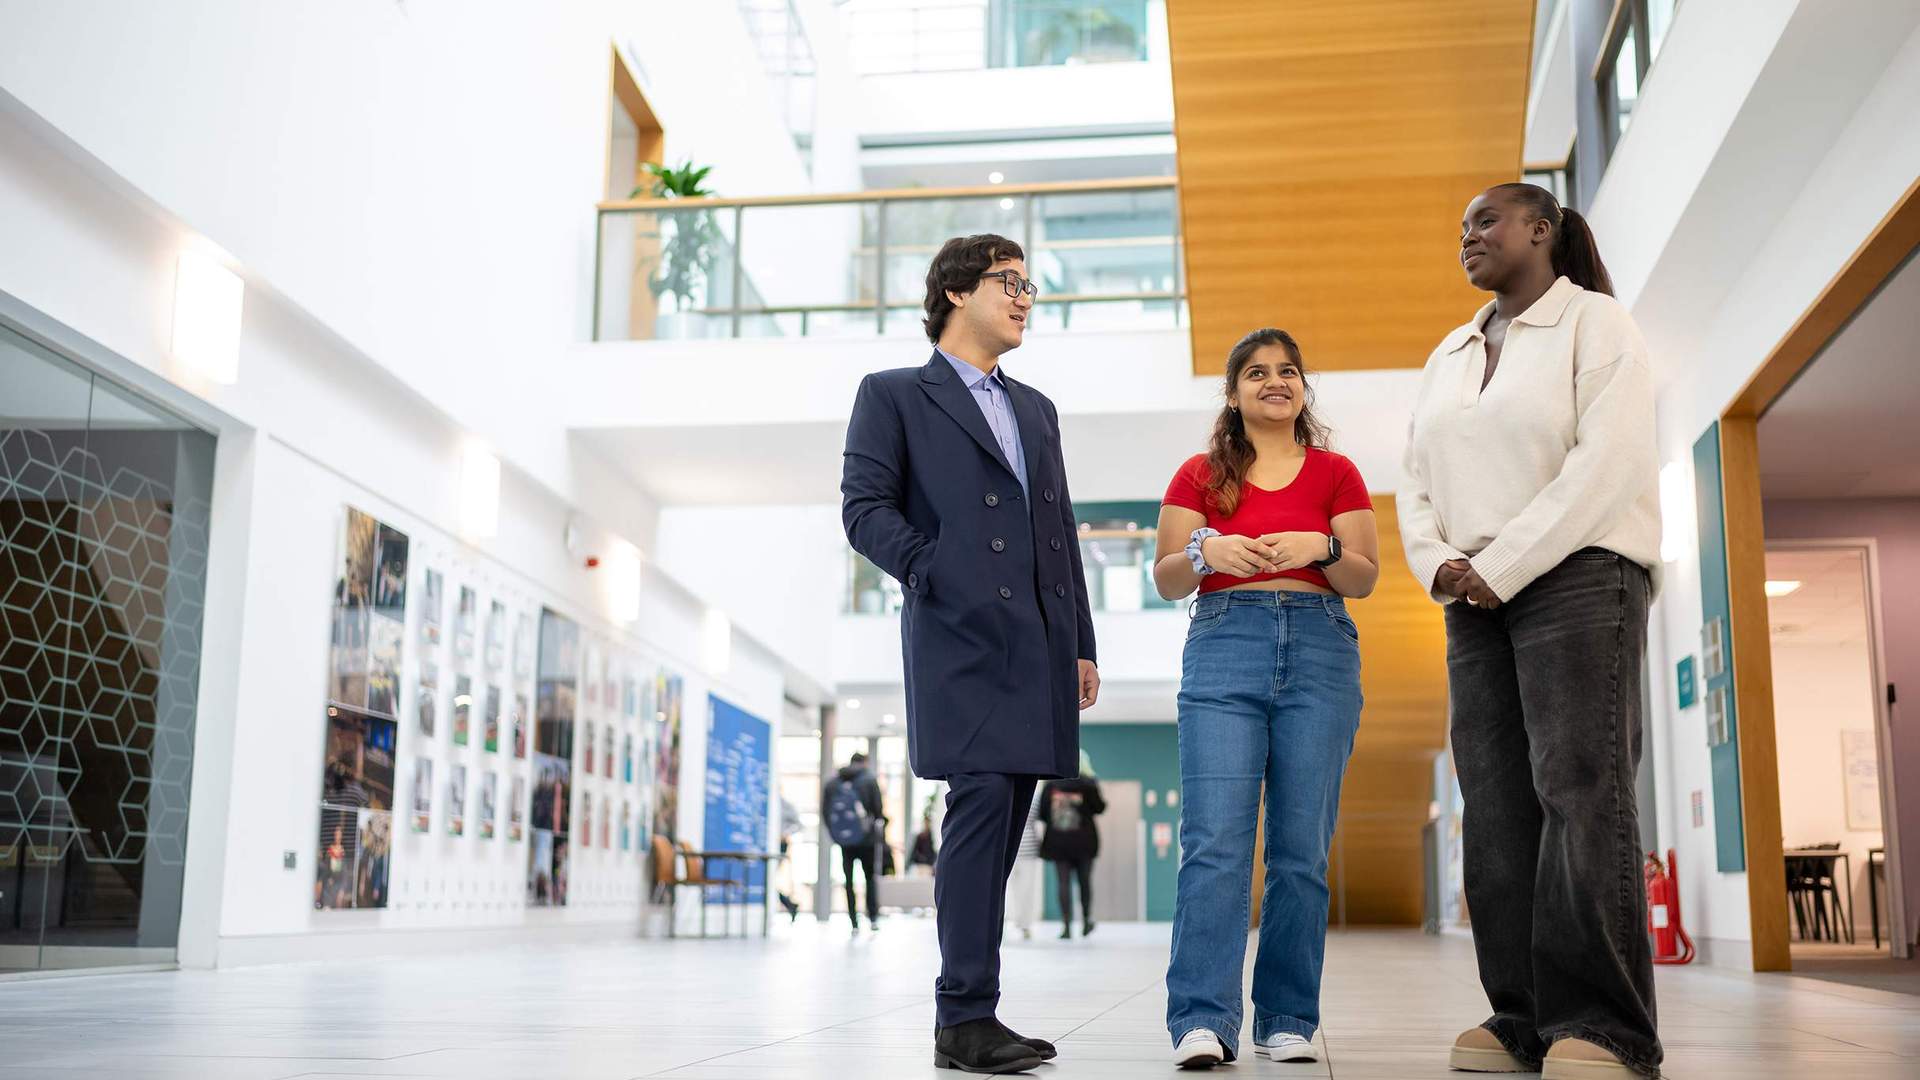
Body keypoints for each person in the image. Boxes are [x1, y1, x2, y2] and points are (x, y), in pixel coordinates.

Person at [1402, 183, 1661, 1079]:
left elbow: (1610, 464)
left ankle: (1607, 1028)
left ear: (1541, 230)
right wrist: (1440, 563)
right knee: (1497, 806)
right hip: (1471, 595)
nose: (1466, 235)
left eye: (1485, 220)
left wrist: (1500, 562)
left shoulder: (1596, 325)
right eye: (1461, 223)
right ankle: (1522, 1018)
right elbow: (1414, 480)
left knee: (1579, 790)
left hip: (1580, 575)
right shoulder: (1451, 349)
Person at [842, 232, 1099, 1075]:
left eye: (1031, 286)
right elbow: (864, 508)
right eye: (1007, 281)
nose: (1024, 297)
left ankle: (974, 1011)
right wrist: (933, 568)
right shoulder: (893, 395)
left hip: (1039, 638)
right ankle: (964, 1013)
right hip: (959, 632)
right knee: (980, 804)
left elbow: (1058, 530)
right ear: (955, 291)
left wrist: (1081, 643)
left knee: (1004, 817)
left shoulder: (1037, 408)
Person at [1152, 328, 1379, 1069]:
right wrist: (1203, 551)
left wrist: (1325, 549)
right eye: (1257, 372)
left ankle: (1286, 1016)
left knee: (1300, 853)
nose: (1275, 382)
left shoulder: (1337, 473)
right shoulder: (1198, 475)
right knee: (1214, 844)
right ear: (1233, 393)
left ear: (1303, 388)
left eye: (1288, 372)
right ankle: (1202, 1020)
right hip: (1224, 645)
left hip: (1320, 650)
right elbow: (1164, 575)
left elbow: (1364, 577)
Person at [1039, 751, 1106, 940]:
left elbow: (1043, 813)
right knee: (1084, 882)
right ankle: (1086, 921)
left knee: (1063, 883)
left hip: (1058, 841)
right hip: (1084, 841)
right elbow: (1100, 808)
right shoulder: (1088, 784)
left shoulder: (1051, 784)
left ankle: (1066, 926)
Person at [823, 752, 885, 931]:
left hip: (845, 841)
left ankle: (853, 921)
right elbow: (878, 809)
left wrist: (837, 835)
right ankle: (872, 917)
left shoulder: (834, 782)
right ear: (864, 762)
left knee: (848, 880)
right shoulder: (869, 780)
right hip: (867, 840)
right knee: (869, 878)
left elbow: (826, 812)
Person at [1004, 788, 1043, 939]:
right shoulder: (1006, 791)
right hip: (1009, 847)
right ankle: (1007, 921)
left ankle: (1024, 924)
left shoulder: (1035, 796)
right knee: (1008, 889)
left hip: (1026, 849)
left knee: (1025, 890)